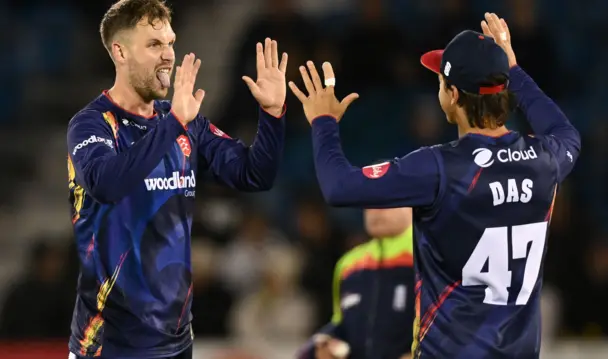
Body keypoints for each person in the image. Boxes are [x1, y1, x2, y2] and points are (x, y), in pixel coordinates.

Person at [288, 12, 580, 359]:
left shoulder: (439, 167)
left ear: (453, 94)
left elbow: (338, 187)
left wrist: (323, 122)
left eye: (440, 81)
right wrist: (513, 70)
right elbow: (566, 133)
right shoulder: (544, 159)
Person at [65, 0, 288, 358]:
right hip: (110, 342)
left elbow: (254, 174)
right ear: (120, 51)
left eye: (170, 42)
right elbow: (106, 183)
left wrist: (272, 115)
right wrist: (173, 125)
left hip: (176, 339)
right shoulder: (92, 124)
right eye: (154, 45)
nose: (168, 55)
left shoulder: (185, 122)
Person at [296, 207, 414, 359]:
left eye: (386, 202)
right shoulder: (349, 264)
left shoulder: (432, 258)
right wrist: (325, 345)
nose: (375, 211)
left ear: (412, 205)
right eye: (369, 204)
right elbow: (340, 323)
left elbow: (449, 326)